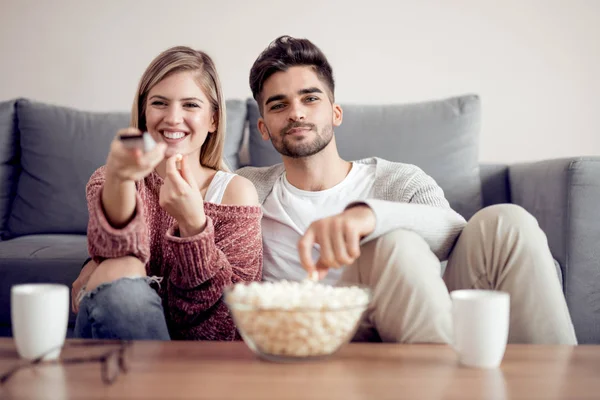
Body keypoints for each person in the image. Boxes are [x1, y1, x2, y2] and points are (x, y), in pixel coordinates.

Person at [237, 36, 577, 345]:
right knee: (393, 244)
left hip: (416, 314)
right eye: (279, 105)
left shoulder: (398, 179)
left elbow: (454, 231)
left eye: (310, 98)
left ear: (335, 112)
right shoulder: (247, 188)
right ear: (264, 129)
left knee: (508, 221)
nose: (296, 113)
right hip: (325, 334)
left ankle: (561, 386)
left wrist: (369, 217)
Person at [71, 46, 262, 341]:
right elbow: (115, 260)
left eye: (190, 105)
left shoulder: (236, 193)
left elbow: (231, 324)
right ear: (144, 112)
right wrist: (120, 180)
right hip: (119, 338)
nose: (173, 118)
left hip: (204, 357)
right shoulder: (111, 178)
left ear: (213, 119)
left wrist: (194, 228)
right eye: (160, 103)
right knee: (120, 265)